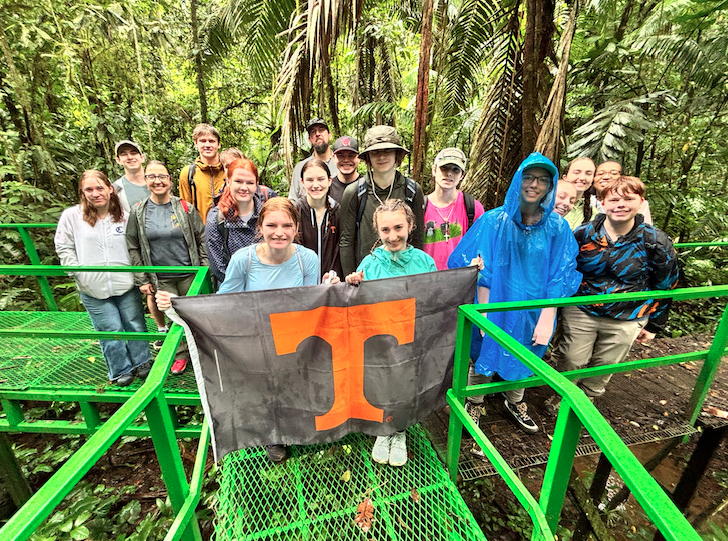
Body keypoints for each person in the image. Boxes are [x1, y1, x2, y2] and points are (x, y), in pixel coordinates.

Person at [156, 197, 338, 462]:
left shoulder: (307, 258)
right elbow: (225, 302)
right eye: (272, 225)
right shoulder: (244, 259)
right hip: (257, 340)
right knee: (266, 387)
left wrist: (328, 288)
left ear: (296, 228)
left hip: (294, 337)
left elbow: (310, 299)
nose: (279, 232)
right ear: (260, 227)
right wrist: (177, 305)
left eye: (287, 225)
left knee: (295, 383)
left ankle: (297, 425)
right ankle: (273, 436)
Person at [448, 152, 581, 435]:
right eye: (529, 177)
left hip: (535, 307)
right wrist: (485, 312)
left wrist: (548, 317)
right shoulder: (495, 221)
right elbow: (482, 267)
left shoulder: (557, 228)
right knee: (485, 351)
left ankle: (515, 401)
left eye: (542, 180)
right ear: (518, 180)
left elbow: (561, 274)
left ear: (550, 186)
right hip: (496, 302)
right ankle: (475, 401)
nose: (534, 184)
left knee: (527, 353)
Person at [545, 176, 678, 413]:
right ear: (602, 203)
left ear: (641, 202)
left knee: (606, 364)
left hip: (629, 314)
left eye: (628, 199)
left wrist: (655, 325)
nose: (620, 204)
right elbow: (565, 268)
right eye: (614, 199)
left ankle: (588, 400)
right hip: (583, 309)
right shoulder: (584, 234)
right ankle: (562, 395)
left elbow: (666, 283)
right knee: (571, 358)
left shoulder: (655, 241)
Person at [345, 199, 438, 466]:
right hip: (380, 341)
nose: (393, 235)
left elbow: (436, 298)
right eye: (385, 230)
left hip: (412, 339)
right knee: (381, 383)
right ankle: (383, 431)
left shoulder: (424, 261)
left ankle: (399, 432)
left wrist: (471, 273)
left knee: (407, 385)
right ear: (377, 231)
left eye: (398, 227)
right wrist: (353, 284)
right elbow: (357, 304)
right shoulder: (371, 262)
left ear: (411, 224)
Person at [55, 170, 151, 387]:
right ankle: (120, 369)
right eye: (89, 189)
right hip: (92, 286)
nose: (95, 193)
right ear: (82, 192)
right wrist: (77, 273)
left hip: (125, 283)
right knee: (110, 329)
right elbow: (64, 246)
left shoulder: (125, 217)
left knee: (134, 324)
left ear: (110, 189)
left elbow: (135, 247)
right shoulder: (72, 217)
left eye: (100, 188)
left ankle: (142, 361)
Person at [126, 161, 208, 376]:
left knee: (194, 315)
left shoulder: (184, 208)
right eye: (152, 176)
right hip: (161, 276)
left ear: (170, 180)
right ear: (146, 181)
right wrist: (142, 279)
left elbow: (201, 238)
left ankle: (202, 353)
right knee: (173, 317)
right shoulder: (138, 211)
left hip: (189, 272)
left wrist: (204, 268)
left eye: (162, 176)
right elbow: (133, 245)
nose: (157, 181)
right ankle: (180, 355)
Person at [340, 125, 425, 275]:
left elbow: (417, 238)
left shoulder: (411, 190)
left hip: (405, 275)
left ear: (397, 155)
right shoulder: (354, 192)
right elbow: (346, 241)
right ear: (368, 157)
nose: (381, 157)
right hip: (367, 275)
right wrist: (352, 280)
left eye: (387, 150)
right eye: (375, 152)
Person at [111, 140, 168, 348]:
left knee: (166, 286)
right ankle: (159, 330)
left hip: (164, 241)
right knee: (149, 288)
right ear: (118, 160)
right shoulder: (116, 188)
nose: (130, 157)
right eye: (124, 154)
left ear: (142, 157)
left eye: (134, 152)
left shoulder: (157, 181)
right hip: (136, 243)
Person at [423, 148, 484, 270]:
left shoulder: (473, 207)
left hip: (460, 281)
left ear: (462, 175)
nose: (449, 173)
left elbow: (481, 247)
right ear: (434, 170)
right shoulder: (421, 206)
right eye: (444, 168)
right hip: (426, 279)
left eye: (455, 170)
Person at [205, 158, 264, 284]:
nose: (244, 187)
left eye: (250, 183)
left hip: (264, 286)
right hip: (232, 289)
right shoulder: (217, 218)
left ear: (256, 184)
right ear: (228, 181)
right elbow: (217, 265)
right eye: (238, 181)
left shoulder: (266, 214)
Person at [293, 159, 343, 280]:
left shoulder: (337, 211)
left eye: (321, 179)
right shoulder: (295, 211)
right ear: (302, 182)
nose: (316, 185)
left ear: (329, 180)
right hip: (303, 284)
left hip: (331, 284)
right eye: (310, 180)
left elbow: (340, 250)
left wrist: (334, 275)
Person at [179, 123, 225, 224]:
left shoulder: (227, 169)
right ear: (196, 144)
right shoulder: (188, 173)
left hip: (227, 231)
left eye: (212, 141)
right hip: (201, 233)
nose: (207, 145)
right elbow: (185, 209)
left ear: (218, 144)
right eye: (203, 141)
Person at [288, 118, 339, 201]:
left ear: (330, 135)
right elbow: (293, 200)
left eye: (321, 130)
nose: (317, 134)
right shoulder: (300, 168)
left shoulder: (340, 164)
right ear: (309, 139)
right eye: (313, 132)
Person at [561, 157, 596, 230]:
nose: (582, 178)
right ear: (565, 177)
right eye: (577, 172)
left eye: (588, 174)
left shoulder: (593, 212)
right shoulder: (550, 203)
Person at [329, 136, 361, 203]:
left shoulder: (365, 186)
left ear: (359, 158)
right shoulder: (328, 187)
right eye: (340, 156)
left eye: (351, 155)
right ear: (333, 158)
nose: (346, 160)